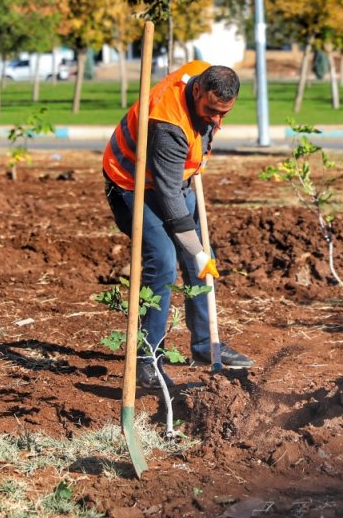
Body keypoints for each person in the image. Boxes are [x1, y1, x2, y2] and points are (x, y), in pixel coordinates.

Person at [102, 60, 254, 389]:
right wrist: (193, 248)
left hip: (174, 180)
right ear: (197, 90)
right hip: (132, 183)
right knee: (165, 261)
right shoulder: (168, 124)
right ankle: (146, 360)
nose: (216, 120)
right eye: (211, 111)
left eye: (223, 114)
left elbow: (175, 184)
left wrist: (199, 252)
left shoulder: (202, 73)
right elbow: (169, 196)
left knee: (201, 257)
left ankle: (204, 345)